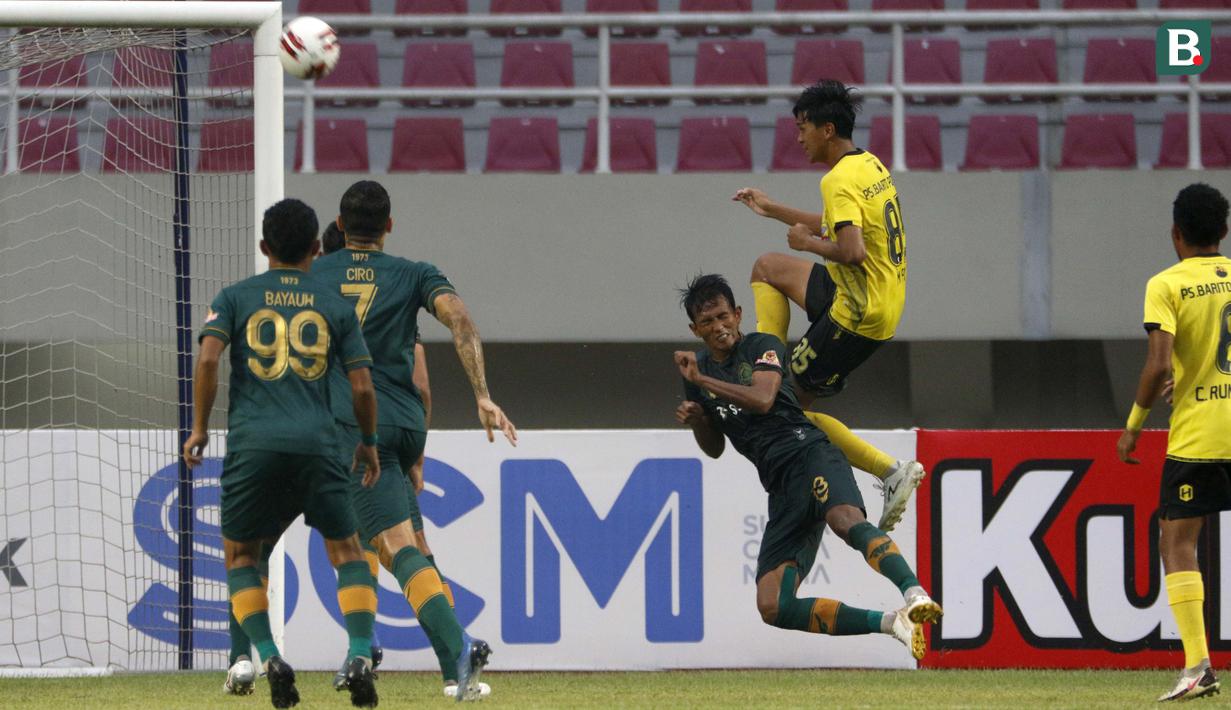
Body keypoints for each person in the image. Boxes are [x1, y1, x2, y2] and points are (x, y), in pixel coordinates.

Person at [313, 180, 516, 702]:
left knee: (384, 545)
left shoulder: (313, 275)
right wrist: (483, 395)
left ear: (338, 227)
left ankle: (457, 646)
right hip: (404, 425)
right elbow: (461, 320)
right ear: (388, 226)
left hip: (356, 430)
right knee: (406, 542)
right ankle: (453, 670)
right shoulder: (416, 273)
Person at [673, 274, 941, 661]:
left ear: (738, 313)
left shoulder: (761, 346)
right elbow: (714, 448)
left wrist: (705, 383)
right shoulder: (695, 373)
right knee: (772, 605)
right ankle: (893, 622)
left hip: (809, 452)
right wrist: (698, 415)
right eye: (708, 322)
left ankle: (915, 594)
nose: (719, 328)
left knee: (844, 520)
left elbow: (764, 399)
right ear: (694, 329)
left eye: (723, 316)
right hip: (780, 486)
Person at [184, 198, 382, 709]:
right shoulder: (334, 304)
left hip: (256, 445)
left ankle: (267, 655)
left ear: (263, 247)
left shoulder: (234, 297)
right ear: (317, 247)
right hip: (320, 444)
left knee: (243, 555)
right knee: (347, 551)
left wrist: (200, 427)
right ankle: (359, 652)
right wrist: (368, 441)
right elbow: (362, 386)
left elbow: (208, 357)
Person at [733, 80, 923, 533]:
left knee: (782, 409)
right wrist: (775, 210)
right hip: (864, 294)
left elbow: (851, 249)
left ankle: (890, 470)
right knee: (768, 267)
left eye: (803, 128)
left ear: (827, 129)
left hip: (855, 318)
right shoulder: (867, 164)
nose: (798, 138)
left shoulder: (837, 178)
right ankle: (769, 363)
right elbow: (843, 223)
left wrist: (809, 243)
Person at [1117, 183, 1231, 702]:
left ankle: (1198, 665)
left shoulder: (1165, 284)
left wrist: (1134, 425)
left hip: (1200, 436)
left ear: (1175, 233)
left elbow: (1159, 362)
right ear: (1224, 232)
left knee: (1178, 542)